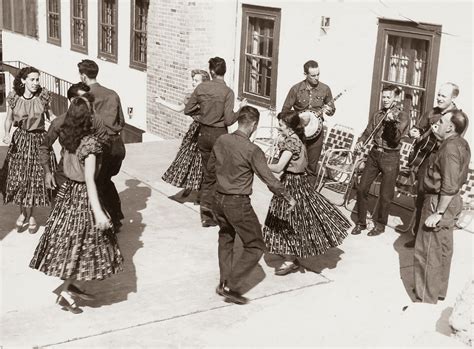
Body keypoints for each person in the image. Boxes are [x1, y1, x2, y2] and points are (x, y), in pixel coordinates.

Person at [30, 95, 123, 314]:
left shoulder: (68, 137)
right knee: (89, 244)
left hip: (67, 193)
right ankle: (66, 289)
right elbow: (90, 181)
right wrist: (99, 212)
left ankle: (70, 285)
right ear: (87, 117)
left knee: (72, 243)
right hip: (82, 196)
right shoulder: (89, 145)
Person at [208, 106, 296, 305]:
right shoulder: (252, 150)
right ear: (254, 125)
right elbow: (269, 179)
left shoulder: (221, 140)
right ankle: (232, 286)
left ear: (239, 120)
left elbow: (210, 169)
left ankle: (223, 282)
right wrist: (287, 197)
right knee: (256, 245)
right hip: (237, 203)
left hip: (218, 199)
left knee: (226, 237)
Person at [262, 111, 350, 275]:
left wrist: (259, 162)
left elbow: (279, 167)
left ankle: (290, 259)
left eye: (281, 124)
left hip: (291, 183)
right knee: (297, 220)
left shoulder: (291, 143)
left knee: (286, 220)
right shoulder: (297, 139)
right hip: (299, 181)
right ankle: (290, 255)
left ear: (288, 126)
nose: (278, 127)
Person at [413, 110, 470, 304]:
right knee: (443, 248)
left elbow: (449, 183)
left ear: (451, 127)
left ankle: (425, 298)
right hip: (452, 200)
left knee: (427, 250)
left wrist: (438, 212)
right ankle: (437, 291)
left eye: (443, 121)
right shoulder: (461, 143)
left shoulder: (450, 149)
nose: (439, 122)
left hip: (440, 200)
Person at [184, 57, 246, 227]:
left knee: (208, 172)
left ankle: (205, 215)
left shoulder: (202, 88)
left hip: (204, 134)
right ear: (224, 71)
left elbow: (188, 109)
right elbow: (229, 120)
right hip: (220, 135)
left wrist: (204, 112)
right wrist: (240, 109)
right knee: (222, 173)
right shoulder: (228, 92)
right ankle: (221, 212)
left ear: (211, 71)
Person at [1, 66, 57, 234]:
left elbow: (51, 117)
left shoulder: (43, 97)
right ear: (23, 80)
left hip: (39, 140)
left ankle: (31, 216)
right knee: (20, 180)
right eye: (32, 79)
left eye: (37, 79)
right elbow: (9, 119)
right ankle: (22, 213)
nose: (35, 83)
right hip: (20, 141)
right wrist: (6, 133)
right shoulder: (14, 98)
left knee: (34, 180)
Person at [404, 83, 460, 248]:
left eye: (444, 96)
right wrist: (414, 132)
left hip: (441, 164)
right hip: (424, 161)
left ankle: (430, 241)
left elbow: (453, 142)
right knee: (421, 200)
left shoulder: (457, 117)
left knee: (434, 203)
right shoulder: (432, 112)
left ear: (453, 98)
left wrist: (438, 134)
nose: (440, 98)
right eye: (439, 95)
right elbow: (418, 129)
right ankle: (417, 237)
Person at [351, 85, 409, 236]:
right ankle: (361, 222)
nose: (385, 100)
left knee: (385, 194)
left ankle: (380, 225)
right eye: (383, 97)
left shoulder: (402, 116)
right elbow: (368, 131)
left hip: (391, 156)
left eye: (388, 97)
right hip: (374, 154)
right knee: (362, 188)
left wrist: (390, 123)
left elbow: (395, 139)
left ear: (396, 98)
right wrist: (361, 141)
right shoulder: (378, 114)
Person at [78, 59, 126, 232]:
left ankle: (108, 219)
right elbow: (122, 121)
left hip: (100, 144)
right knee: (106, 180)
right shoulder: (112, 93)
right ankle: (116, 217)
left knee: (97, 182)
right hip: (117, 145)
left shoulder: (85, 96)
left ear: (83, 76)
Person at [39, 82, 109, 198]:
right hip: (65, 170)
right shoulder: (59, 123)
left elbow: (106, 142)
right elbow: (44, 147)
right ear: (73, 101)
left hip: (90, 170)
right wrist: (47, 172)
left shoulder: (96, 120)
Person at [282, 60, 336, 187]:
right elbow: (285, 111)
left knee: (312, 167)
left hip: (316, 135)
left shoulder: (325, 89)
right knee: (294, 163)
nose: (316, 78)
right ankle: (290, 190)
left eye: (318, 74)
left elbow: (332, 109)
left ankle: (308, 194)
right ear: (305, 74)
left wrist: (329, 110)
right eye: (313, 75)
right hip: (299, 133)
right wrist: (300, 119)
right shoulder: (295, 89)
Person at [161, 69, 211, 202]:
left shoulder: (211, 96)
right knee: (188, 158)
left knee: (202, 162)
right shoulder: (191, 96)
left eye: (196, 80)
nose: (193, 82)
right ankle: (188, 188)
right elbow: (179, 109)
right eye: (193, 80)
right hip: (195, 131)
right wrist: (161, 102)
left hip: (207, 130)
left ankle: (200, 193)